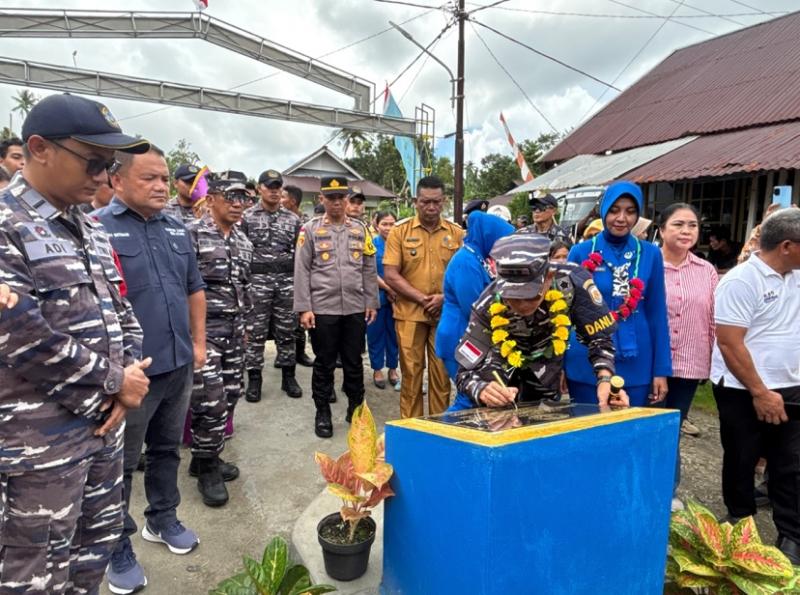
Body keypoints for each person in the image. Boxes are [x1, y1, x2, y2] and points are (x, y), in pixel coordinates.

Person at [0, 93, 150, 594]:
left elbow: (121, 312)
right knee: (35, 573)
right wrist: (115, 384)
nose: (105, 178)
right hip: (39, 448)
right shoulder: (6, 224)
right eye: (94, 161)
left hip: (103, 431)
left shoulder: (86, 225)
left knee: (96, 549)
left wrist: (128, 380)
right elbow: (21, 335)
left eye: (110, 166)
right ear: (39, 148)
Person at [96, 145, 207, 594]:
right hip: (132, 375)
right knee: (119, 466)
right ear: (117, 181)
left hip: (178, 362)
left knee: (166, 451)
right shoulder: (98, 230)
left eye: (164, 178)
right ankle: (113, 544)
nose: (161, 186)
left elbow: (193, 289)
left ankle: (161, 519)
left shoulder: (177, 229)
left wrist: (198, 344)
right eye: (149, 178)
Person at [711, 208, 800, 563]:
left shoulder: (796, 276)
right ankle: (740, 520)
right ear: (788, 246)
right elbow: (730, 343)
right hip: (740, 388)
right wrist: (761, 392)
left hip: (792, 386)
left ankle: (792, 534)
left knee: (791, 463)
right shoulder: (740, 281)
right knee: (742, 457)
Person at [452, 234, 627, 410]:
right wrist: (480, 389)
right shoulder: (487, 304)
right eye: (512, 297)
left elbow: (600, 339)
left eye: (530, 295)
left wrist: (605, 379)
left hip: (547, 380)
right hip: (499, 386)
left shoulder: (572, 281)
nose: (522, 305)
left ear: (549, 276)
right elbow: (464, 372)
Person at [565, 180, 672, 407]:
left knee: (631, 434)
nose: (621, 218)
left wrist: (660, 370)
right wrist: (559, 366)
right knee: (586, 430)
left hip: (637, 359)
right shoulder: (580, 252)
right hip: (586, 358)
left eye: (630, 212)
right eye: (614, 210)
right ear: (603, 210)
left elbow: (657, 313)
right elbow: (564, 313)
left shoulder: (650, 254)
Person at [185, 176, 253, 507]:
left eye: (244, 197)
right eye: (232, 196)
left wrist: (246, 326)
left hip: (235, 330)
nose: (239, 203)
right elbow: (181, 287)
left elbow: (244, 285)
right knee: (210, 401)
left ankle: (204, 455)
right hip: (203, 332)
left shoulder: (243, 240)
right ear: (211, 199)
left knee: (231, 393)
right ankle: (208, 469)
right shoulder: (192, 235)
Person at [294, 175, 378, 437]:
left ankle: (355, 410)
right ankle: (322, 412)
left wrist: (371, 301)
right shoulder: (310, 230)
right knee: (324, 363)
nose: (336, 202)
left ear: (347, 199)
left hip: (354, 307)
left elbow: (368, 266)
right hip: (323, 309)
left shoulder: (360, 229)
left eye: (341, 197)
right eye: (330, 198)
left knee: (354, 363)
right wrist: (304, 307)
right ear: (322, 199)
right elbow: (301, 269)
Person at [383, 175, 465, 418]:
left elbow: (464, 274)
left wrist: (443, 298)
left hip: (445, 315)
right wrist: (422, 298)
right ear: (415, 201)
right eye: (425, 202)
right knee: (411, 376)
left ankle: (440, 431)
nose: (431, 207)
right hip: (410, 315)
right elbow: (390, 273)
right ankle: (413, 431)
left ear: (444, 202)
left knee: (442, 376)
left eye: (436, 202)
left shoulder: (457, 233)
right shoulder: (399, 232)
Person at [657, 203, 718, 511]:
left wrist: (712, 361)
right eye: (678, 224)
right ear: (662, 229)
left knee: (674, 426)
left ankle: (668, 490)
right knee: (649, 426)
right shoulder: (649, 264)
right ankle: (646, 488)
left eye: (692, 225)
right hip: (653, 363)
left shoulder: (706, 271)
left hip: (690, 363)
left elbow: (712, 319)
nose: (686, 231)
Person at [241, 169, 303, 401]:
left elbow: (300, 254)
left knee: (287, 331)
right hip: (257, 283)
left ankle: (289, 376)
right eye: (270, 186)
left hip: (286, 282)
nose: (275, 190)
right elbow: (241, 252)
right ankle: (255, 379)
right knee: (255, 333)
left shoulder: (293, 219)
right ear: (259, 189)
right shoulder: (246, 217)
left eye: (278, 186)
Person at [435, 210, 513, 379]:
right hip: (460, 336)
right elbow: (472, 307)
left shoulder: (477, 257)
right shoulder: (466, 262)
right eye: (502, 242)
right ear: (489, 238)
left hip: (469, 334)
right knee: (468, 393)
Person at [366, 211, 401, 390]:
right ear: (376, 225)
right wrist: (389, 288)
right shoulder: (372, 245)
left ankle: (393, 369)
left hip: (398, 298)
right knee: (375, 334)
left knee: (395, 335)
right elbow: (369, 272)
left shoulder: (401, 244)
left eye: (392, 223)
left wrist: (397, 289)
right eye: (385, 224)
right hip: (377, 296)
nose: (388, 228)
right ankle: (377, 369)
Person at [281, 183, 314, 367]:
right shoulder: (278, 219)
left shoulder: (307, 223)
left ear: (292, 201)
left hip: (301, 277)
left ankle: (300, 353)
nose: (280, 200)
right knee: (282, 320)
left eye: (283, 197)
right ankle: (283, 354)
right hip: (282, 277)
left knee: (299, 317)